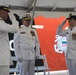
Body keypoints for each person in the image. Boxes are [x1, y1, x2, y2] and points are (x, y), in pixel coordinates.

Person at [0, 5, 18, 75]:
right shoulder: (0, 23)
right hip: (2, 60)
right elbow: (15, 29)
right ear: (1, 12)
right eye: (7, 12)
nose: (8, 15)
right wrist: (13, 19)